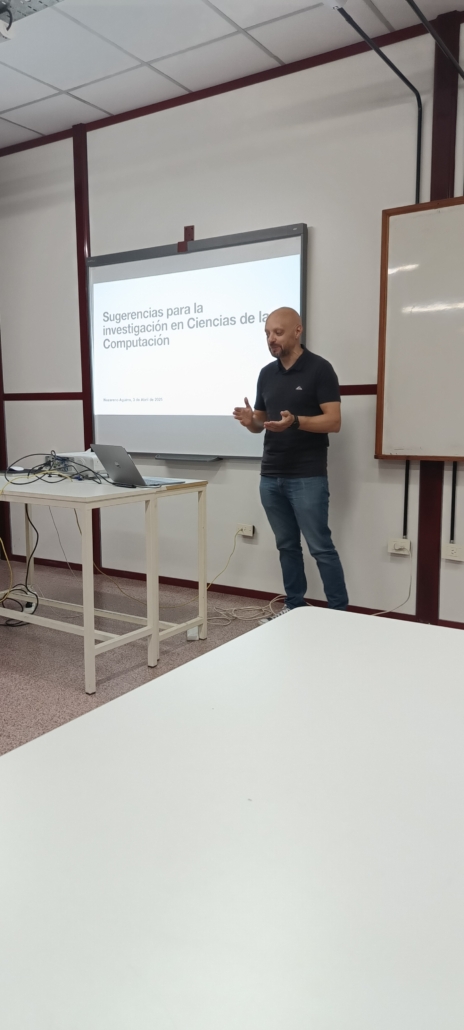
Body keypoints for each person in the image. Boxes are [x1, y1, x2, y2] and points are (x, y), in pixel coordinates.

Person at [233, 307, 348, 614]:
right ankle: (294, 606)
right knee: (286, 546)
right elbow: (261, 423)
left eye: (278, 333)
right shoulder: (266, 374)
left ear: (298, 331)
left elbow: (334, 421)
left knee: (320, 547)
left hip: (307, 476)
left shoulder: (320, 369)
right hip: (271, 476)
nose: (271, 339)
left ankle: (339, 613)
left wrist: (296, 421)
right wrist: (250, 421)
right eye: (267, 334)